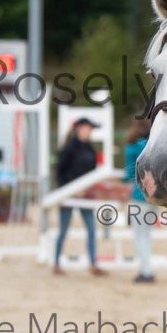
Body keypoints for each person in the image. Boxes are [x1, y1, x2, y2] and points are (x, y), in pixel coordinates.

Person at [53, 117, 106, 277]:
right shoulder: (68, 149)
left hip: (85, 195)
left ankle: (93, 263)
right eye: (87, 128)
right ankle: (56, 262)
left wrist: (88, 189)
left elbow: (93, 172)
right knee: (63, 230)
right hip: (68, 194)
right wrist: (71, 189)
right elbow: (59, 172)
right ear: (79, 129)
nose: (89, 132)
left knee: (91, 229)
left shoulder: (90, 149)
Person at [125, 117, 155, 283]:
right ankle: (147, 268)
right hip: (154, 197)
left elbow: (128, 174)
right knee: (147, 235)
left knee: (139, 235)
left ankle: (146, 271)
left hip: (138, 196)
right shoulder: (152, 145)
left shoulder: (132, 147)